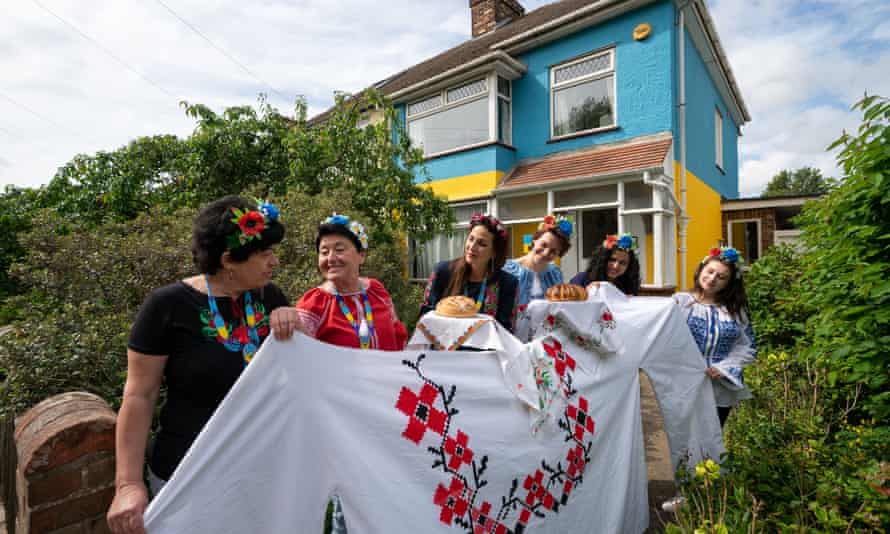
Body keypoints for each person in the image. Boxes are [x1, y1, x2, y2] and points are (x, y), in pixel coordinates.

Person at [107, 196, 297, 534]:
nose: (274, 262)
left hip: (260, 471)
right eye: (264, 254)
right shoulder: (167, 307)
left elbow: (294, 376)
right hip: (188, 475)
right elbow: (140, 396)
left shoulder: (270, 298)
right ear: (229, 261)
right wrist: (127, 486)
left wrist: (294, 325)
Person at [269, 213, 407, 534]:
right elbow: (298, 352)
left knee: (392, 488)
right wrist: (285, 318)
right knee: (353, 500)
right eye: (324, 250)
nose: (330, 257)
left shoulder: (377, 290)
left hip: (389, 408)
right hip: (346, 420)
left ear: (361, 255)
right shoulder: (315, 302)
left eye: (340, 248)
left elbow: (397, 333)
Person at [673, 246, 757, 427]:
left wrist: (725, 368)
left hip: (719, 388)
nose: (712, 279)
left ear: (729, 283)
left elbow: (748, 346)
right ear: (701, 269)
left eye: (721, 277)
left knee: (713, 441)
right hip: (683, 385)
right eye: (710, 271)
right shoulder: (680, 302)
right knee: (682, 441)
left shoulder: (735, 310)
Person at [419, 213, 519, 331]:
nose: (472, 247)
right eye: (471, 239)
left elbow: (506, 329)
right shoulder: (443, 272)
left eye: (482, 244)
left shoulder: (507, 283)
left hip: (486, 348)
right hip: (444, 345)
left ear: (494, 252)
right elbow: (426, 316)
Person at [502, 214, 572, 307]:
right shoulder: (507, 269)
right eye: (544, 245)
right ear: (535, 239)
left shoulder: (555, 274)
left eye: (553, 251)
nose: (546, 253)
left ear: (558, 254)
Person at [570, 233, 641, 295]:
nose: (615, 266)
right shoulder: (581, 279)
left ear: (629, 267)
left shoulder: (627, 286)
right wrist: (586, 293)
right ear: (602, 260)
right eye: (612, 260)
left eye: (622, 263)